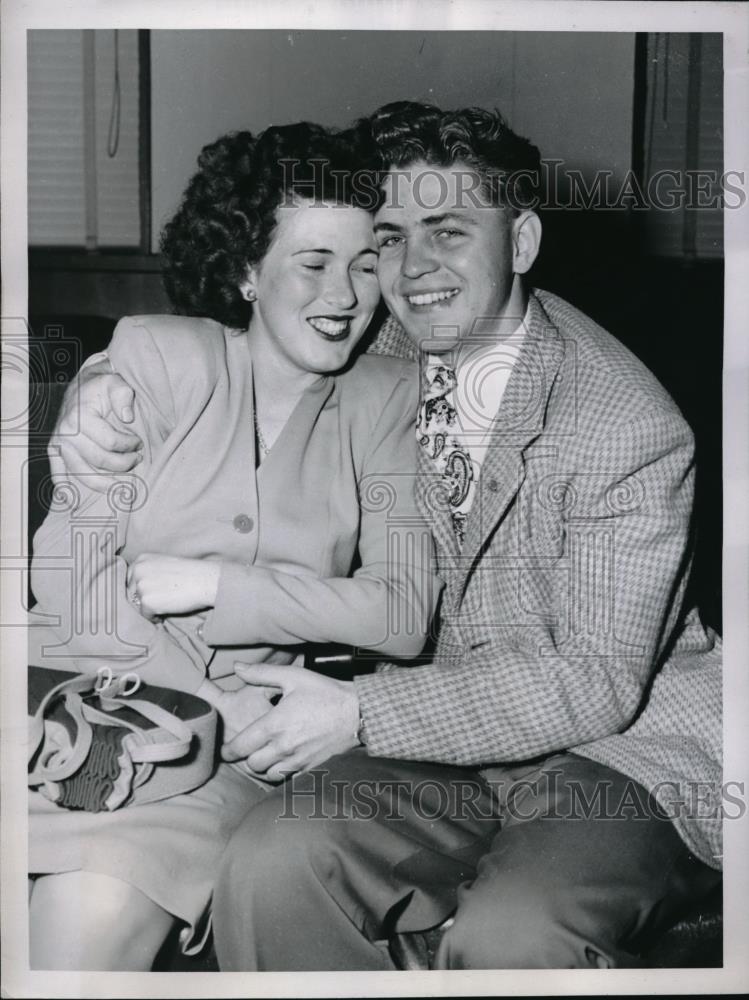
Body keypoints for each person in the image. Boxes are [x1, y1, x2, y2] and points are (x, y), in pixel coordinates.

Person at [59, 101, 723, 970]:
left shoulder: (624, 426)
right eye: (391, 236)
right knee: (269, 863)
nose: (412, 269)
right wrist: (98, 391)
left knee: (515, 933)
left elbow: (591, 681)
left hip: (614, 755)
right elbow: (240, 340)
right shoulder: (378, 329)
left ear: (519, 244)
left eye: (448, 231)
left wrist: (362, 711)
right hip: (434, 747)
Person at [27, 120, 441, 970]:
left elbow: (403, 614)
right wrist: (211, 701)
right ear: (248, 271)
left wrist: (217, 582)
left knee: (90, 910)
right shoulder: (155, 357)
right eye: (312, 262)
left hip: (222, 765)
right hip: (54, 705)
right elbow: (66, 576)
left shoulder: (391, 398)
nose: (344, 295)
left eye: (366, 265)